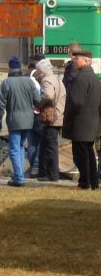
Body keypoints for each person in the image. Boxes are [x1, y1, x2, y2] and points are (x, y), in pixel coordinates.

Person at [0, 55, 40, 187]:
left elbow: (0, 104)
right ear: (21, 68)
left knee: (14, 149)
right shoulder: (30, 82)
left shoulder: (6, 83)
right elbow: (37, 101)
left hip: (14, 121)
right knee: (20, 147)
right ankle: (18, 174)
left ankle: (19, 178)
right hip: (29, 120)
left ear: (10, 68)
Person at [62, 49, 101, 190]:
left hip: (80, 123)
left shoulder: (80, 78)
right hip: (92, 123)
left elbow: (75, 102)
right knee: (89, 154)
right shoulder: (95, 79)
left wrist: (68, 117)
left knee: (80, 156)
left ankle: (84, 183)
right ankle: (94, 182)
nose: (74, 61)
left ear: (86, 60)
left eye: (77, 58)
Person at [35, 56, 65, 182]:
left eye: (38, 70)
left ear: (42, 71)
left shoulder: (47, 80)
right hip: (58, 116)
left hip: (51, 118)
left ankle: (52, 175)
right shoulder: (57, 79)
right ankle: (46, 172)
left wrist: (39, 104)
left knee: (50, 147)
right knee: (48, 145)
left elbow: (48, 95)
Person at [25, 54, 45, 176]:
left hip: (27, 115)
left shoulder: (23, 76)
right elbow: (39, 98)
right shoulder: (39, 77)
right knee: (41, 141)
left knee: (31, 142)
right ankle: (37, 166)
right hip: (37, 113)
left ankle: (33, 166)